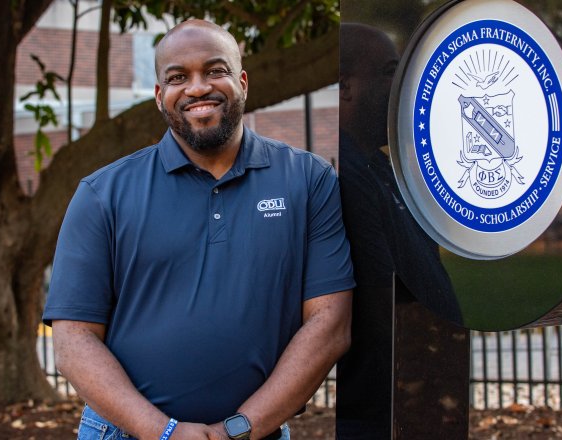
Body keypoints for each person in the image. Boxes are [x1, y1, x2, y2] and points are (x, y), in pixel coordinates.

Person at [43, 19, 355, 440]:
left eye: (214, 70)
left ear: (242, 81)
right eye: (177, 77)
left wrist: (241, 428)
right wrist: (163, 432)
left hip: (256, 433)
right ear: (159, 96)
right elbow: (73, 340)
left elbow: (329, 324)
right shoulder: (103, 194)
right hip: (124, 432)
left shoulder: (308, 181)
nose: (196, 88)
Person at [336, 23, 466, 439]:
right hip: (385, 413)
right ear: (344, 87)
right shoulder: (345, 175)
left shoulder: (383, 168)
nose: (403, 84)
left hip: (422, 401)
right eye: (391, 70)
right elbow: (381, 301)